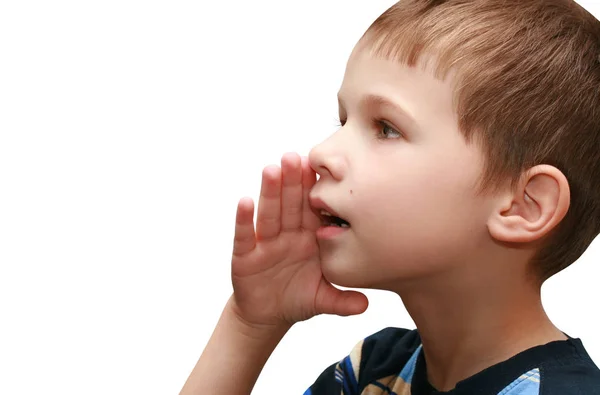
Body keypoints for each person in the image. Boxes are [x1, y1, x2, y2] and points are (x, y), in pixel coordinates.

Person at [180, 0, 600, 393]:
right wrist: (250, 324)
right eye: (343, 119)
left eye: (386, 127)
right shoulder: (374, 372)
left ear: (523, 205)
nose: (323, 153)